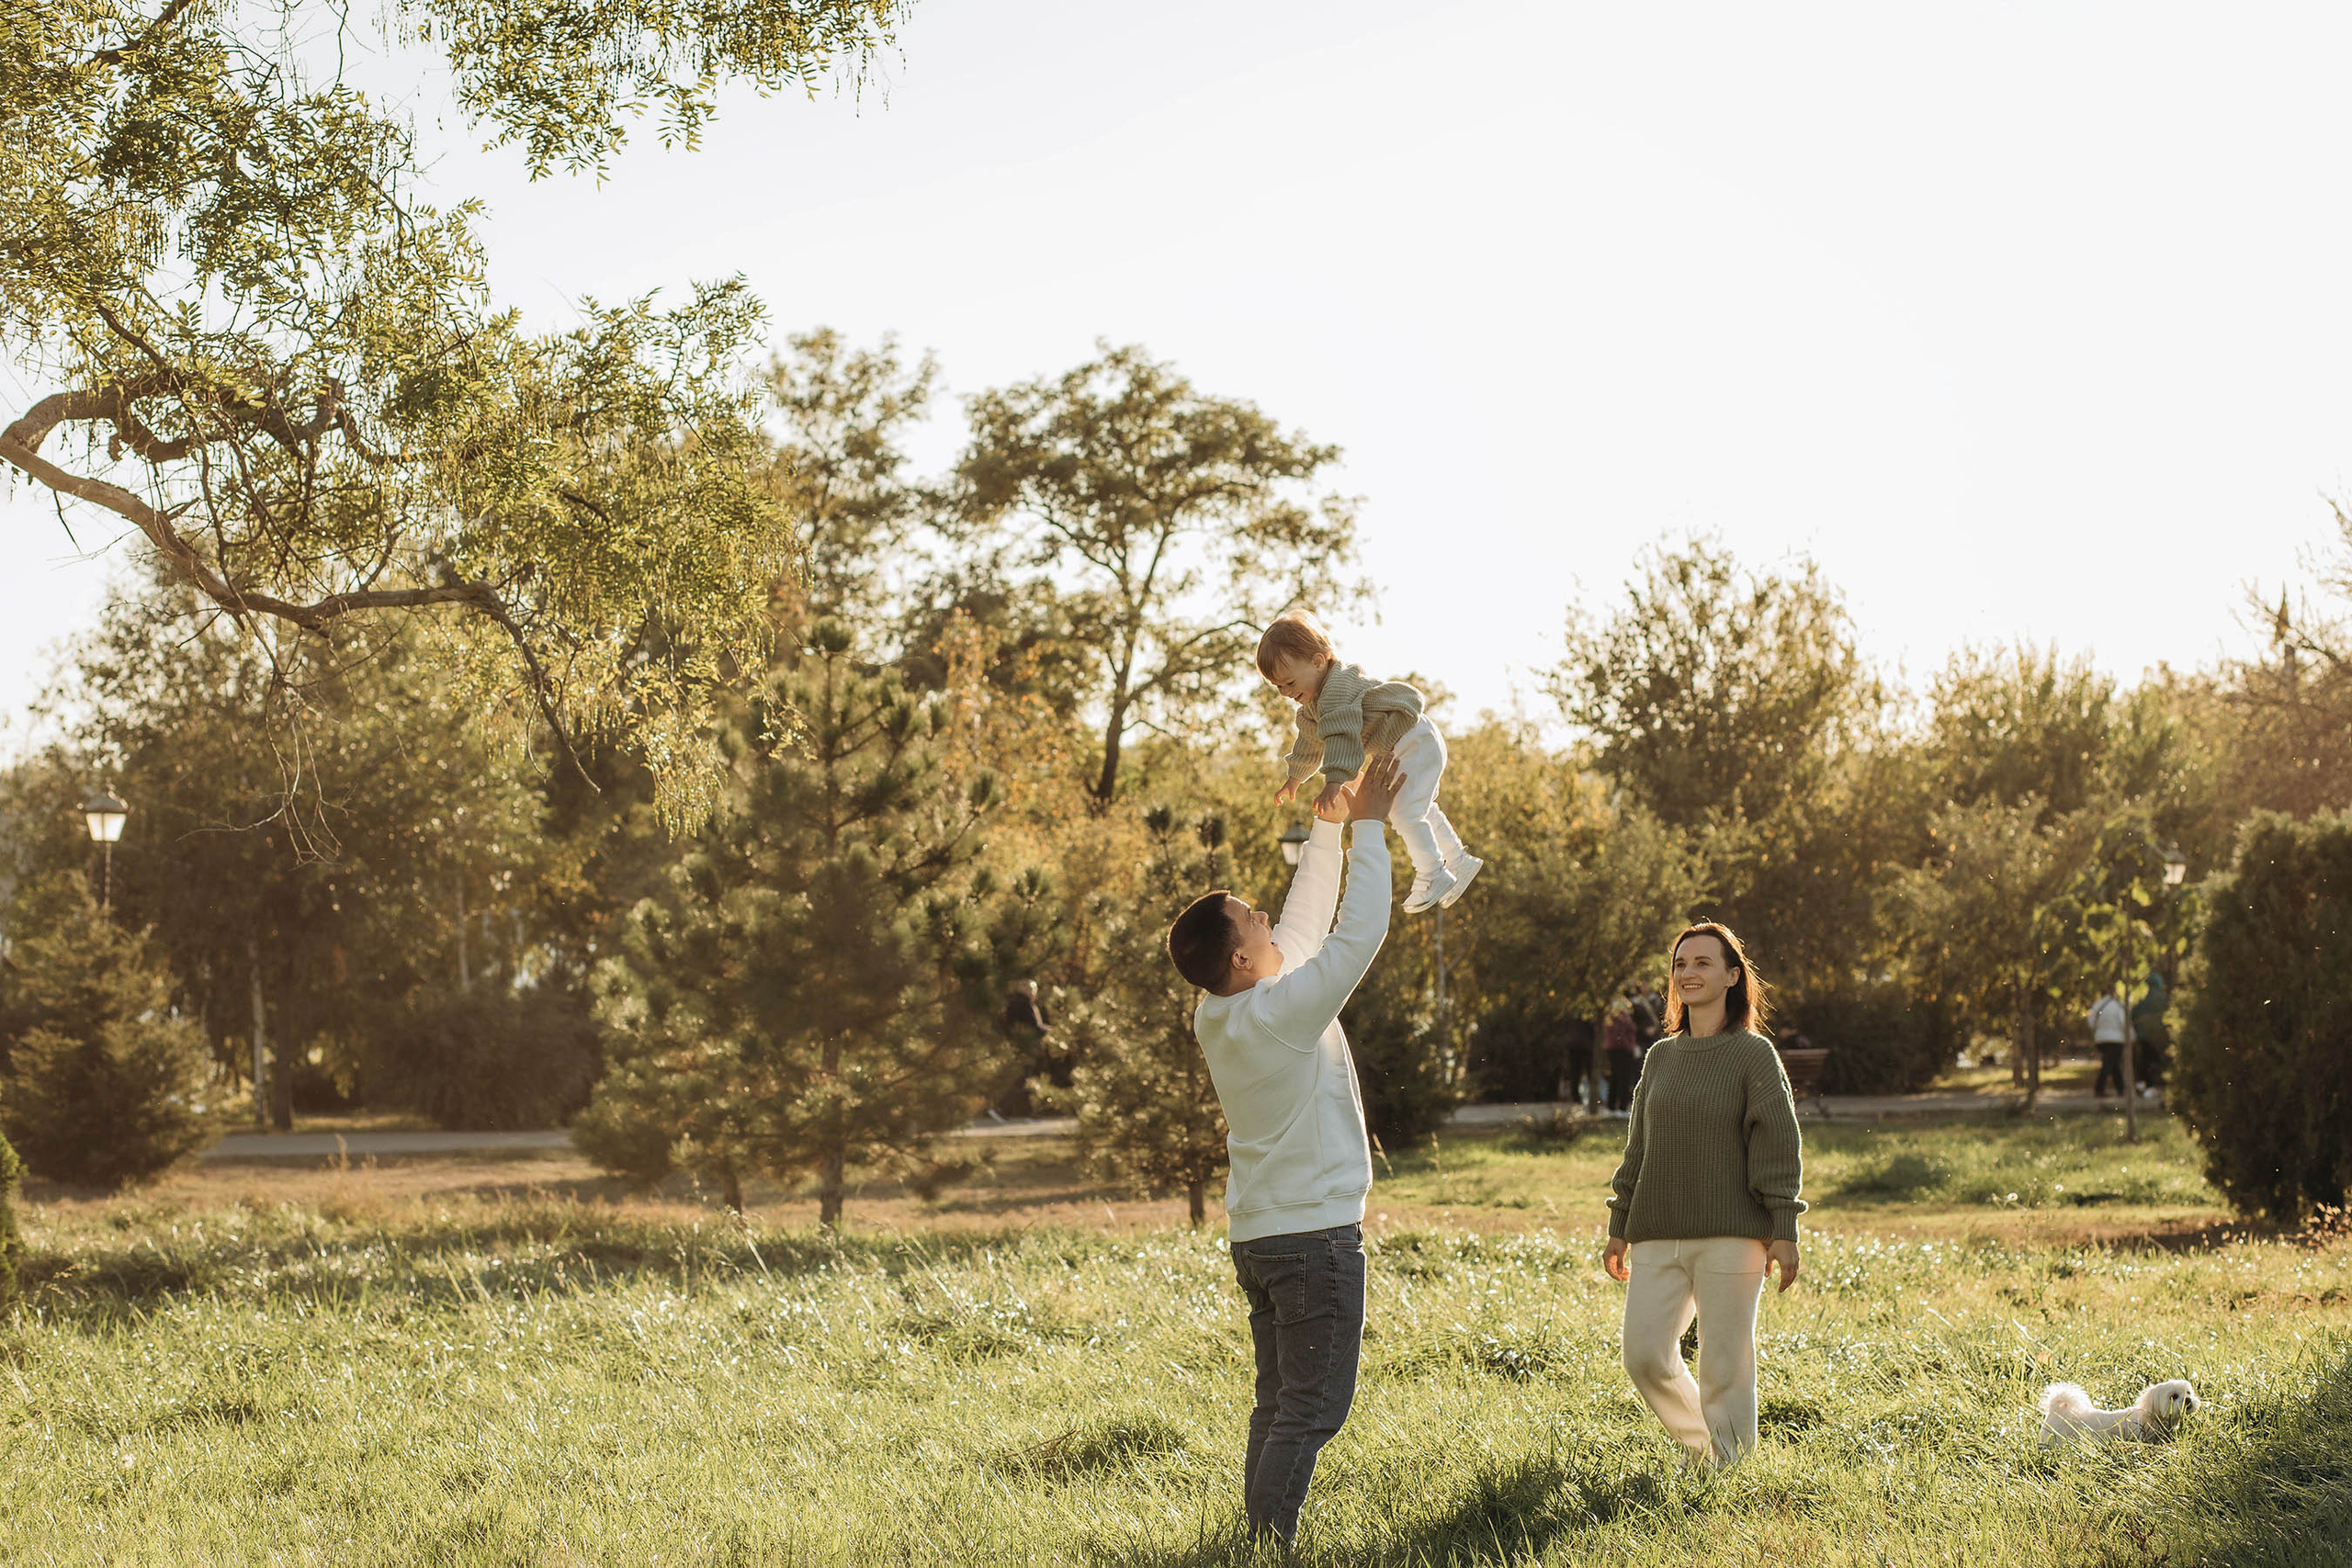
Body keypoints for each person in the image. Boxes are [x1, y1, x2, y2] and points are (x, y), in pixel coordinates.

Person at [1165, 752, 1407, 1546]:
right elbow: (1355, 936)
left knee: (1278, 1402)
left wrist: (1327, 833)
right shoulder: (1279, 1012)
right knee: (1311, 1407)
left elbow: (1300, 933)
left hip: (1263, 1236)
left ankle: (1255, 1544)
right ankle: (1269, 1548)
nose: (1265, 913)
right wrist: (1369, 828)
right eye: (1251, 916)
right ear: (1241, 958)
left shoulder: (1222, 1012)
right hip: (1313, 1240)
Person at [1602, 922, 1804, 1473]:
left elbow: (1777, 1146)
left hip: (1732, 1233)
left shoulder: (1754, 1055)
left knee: (1725, 1363)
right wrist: (1620, 1222)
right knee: (1644, 1356)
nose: (1688, 973)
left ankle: (1730, 1471)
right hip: (1657, 1228)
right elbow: (1638, 1147)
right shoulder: (1660, 1057)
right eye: (1680, 964)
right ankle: (1703, 1448)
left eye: (1702, 963)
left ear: (1733, 976)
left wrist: (1783, 1228)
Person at [1259, 611, 1483, 914]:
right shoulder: (1315, 705)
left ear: (1318, 662)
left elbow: (1341, 736)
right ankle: (1458, 859)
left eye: (1289, 682)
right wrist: (1295, 777)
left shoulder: (1336, 692)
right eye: (1278, 687)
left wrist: (1334, 782)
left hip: (1412, 739)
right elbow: (1310, 741)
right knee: (1419, 807)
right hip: (1411, 742)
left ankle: (1432, 872)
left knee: (1404, 811)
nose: (1286, 693)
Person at [1600, 999, 1640, 1116]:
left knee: (1615, 1078)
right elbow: (1620, 1036)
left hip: (1613, 1050)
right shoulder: (1621, 1018)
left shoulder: (1610, 1017)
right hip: (1622, 1050)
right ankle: (1622, 1107)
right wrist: (1631, 1047)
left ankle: (1611, 1106)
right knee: (1624, 1079)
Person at [2089, 988, 2129, 1099]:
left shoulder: (2098, 1005)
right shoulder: (2118, 1005)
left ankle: (2120, 1088)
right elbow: (2124, 1022)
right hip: (2116, 1039)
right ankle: (2099, 1088)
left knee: (2113, 1063)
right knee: (2109, 1063)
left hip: (2101, 1039)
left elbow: (2091, 1021)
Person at [1560, 1014, 1598, 1109]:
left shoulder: (1571, 1015)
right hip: (1586, 1046)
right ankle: (1592, 1098)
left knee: (1575, 1073)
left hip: (1574, 1045)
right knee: (1589, 1073)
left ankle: (1576, 1098)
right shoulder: (1588, 1015)